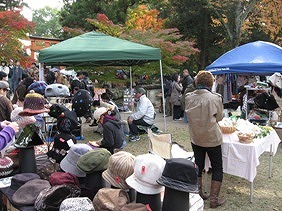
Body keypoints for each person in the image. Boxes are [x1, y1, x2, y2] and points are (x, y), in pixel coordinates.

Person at [185, 70, 225, 208]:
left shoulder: (188, 97)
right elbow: (220, 117)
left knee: (198, 165)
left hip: (196, 137)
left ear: (197, 82)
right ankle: (214, 200)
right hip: (212, 138)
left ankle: (197, 193)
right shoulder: (215, 98)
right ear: (211, 83)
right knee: (217, 167)